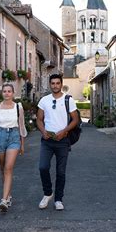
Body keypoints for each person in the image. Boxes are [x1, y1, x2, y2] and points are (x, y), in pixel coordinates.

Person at [36, 73, 79, 211]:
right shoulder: (44, 100)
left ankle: (58, 199)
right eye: (53, 83)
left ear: (61, 84)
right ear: (50, 84)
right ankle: (48, 193)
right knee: (43, 167)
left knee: (61, 172)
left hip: (63, 141)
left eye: (57, 83)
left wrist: (64, 131)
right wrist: (43, 131)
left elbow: (75, 120)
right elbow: (39, 119)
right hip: (47, 140)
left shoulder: (68, 100)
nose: (55, 85)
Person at [0, 83, 27, 212]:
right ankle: (8, 195)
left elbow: (21, 126)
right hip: (0, 137)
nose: (7, 93)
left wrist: (22, 144)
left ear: (13, 93)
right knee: (3, 169)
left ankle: (3, 200)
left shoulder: (18, 107)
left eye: (9, 91)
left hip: (14, 137)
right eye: (4, 91)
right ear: (2, 93)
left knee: (9, 167)